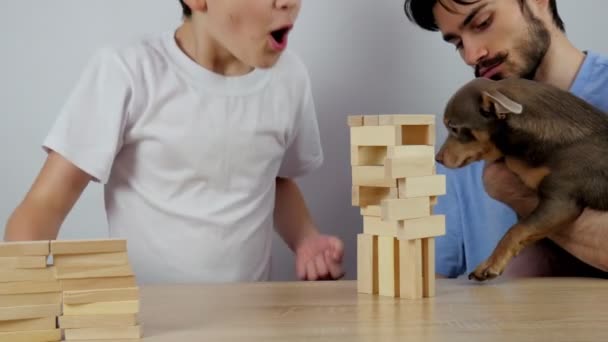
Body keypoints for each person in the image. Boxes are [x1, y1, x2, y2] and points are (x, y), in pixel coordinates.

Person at [4, 0, 345, 284]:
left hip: (248, 323)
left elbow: (274, 179)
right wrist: (26, 299)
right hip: (147, 324)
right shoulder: (129, 71)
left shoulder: (290, 78)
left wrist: (306, 238)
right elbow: (45, 204)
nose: (287, 3)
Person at [403, 0, 608, 278]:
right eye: (458, 43)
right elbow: (428, 281)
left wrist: (521, 196)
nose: (472, 55)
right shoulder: (467, 141)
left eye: (482, 23)